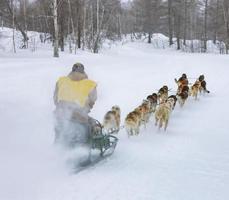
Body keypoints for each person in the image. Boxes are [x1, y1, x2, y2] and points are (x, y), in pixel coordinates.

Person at [53, 63, 97, 149]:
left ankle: (56, 150)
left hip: (59, 115)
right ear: (83, 72)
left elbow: (55, 99)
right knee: (89, 127)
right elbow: (92, 101)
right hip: (79, 117)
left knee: (59, 135)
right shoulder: (90, 84)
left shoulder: (61, 81)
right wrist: (85, 109)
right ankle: (81, 152)